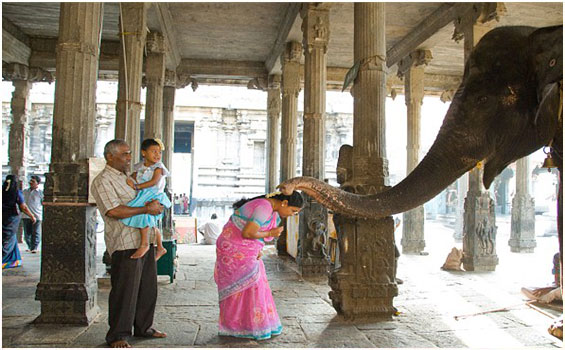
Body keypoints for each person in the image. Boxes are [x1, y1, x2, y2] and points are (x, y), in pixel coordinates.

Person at [91, 139, 167, 348]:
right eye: (124, 154)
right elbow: (113, 211)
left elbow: (147, 195)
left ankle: (144, 327)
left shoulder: (129, 177)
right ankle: (118, 334)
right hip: (124, 242)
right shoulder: (103, 181)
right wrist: (145, 210)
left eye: (129, 153)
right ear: (110, 156)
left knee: (147, 287)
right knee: (125, 291)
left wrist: (155, 205)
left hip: (145, 239)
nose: (129, 158)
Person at [214, 191, 304, 340]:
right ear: (285, 203)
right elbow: (248, 233)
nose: (291, 214)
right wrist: (271, 232)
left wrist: (258, 248)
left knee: (256, 283)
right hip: (233, 248)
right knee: (251, 285)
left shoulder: (273, 211)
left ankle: (250, 325)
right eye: (293, 211)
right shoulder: (264, 207)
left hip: (246, 249)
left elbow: (255, 235)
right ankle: (237, 326)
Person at [122, 138, 171, 261]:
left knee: (144, 214)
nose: (157, 155)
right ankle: (160, 247)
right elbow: (133, 176)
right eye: (154, 151)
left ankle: (145, 244)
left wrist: (136, 186)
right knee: (150, 221)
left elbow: (153, 182)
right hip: (144, 194)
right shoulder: (139, 166)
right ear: (144, 153)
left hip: (154, 194)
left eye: (159, 152)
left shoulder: (158, 168)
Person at [3, 175, 36, 269]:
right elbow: (23, 207)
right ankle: (4, 259)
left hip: (3, 218)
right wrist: (32, 216)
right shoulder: (17, 192)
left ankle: (14, 259)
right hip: (12, 219)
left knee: (9, 237)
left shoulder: (2, 191)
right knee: (9, 238)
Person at [22, 175, 43, 253]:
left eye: (33, 181)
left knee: (36, 232)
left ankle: (34, 247)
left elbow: (42, 203)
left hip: (36, 215)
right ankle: (30, 246)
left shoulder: (40, 193)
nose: (31, 182)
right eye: (30, 181)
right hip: (26, 215)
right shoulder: (25, 191)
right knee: (27, 233)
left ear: (37, 183)